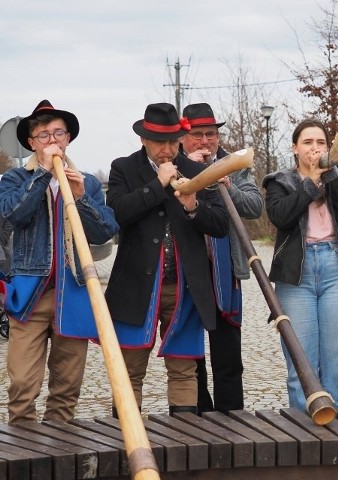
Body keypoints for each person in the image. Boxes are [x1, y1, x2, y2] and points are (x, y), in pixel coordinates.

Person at [105, 102, 229, 416]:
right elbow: (117, 214)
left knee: (184, 368)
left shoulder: (197, 171)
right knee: (130, 368)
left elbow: (220, 225)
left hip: (184, 285)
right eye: (161, 142)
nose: (168, 149)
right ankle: (126, 441)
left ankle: (184, 439)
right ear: (144, 140)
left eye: (174, 142)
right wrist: (157, 184)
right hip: (137, 285)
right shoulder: (124, 168)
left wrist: (193, 207)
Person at [0, 100, 119, 423]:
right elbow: (14, 214)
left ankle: (59, 452)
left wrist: (81, 198)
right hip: (29, 293)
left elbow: (106, 229)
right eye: (43, 136)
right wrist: (42, 175)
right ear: (31, 143)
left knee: (67, 388)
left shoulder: (89, 183)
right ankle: (23, 457)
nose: (52, 141)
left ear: (68, 139)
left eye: (58, 134)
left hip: (76, 291)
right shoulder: (12, 180)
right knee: (23, 384)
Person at [262, 118, 338, 410]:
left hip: (336, 268)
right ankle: (302, 432)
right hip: (296, 275)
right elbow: (281, 216)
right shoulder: (278, 181)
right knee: (301, 362)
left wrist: (329, 174)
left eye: (321, 142)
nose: (315, 149)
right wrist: (311, 182)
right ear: (295, 148)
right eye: (308, 142)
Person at [180, 102, 264, 414]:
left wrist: (227, 183)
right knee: (191, 355)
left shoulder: (235, 164)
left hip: (225, 269)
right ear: (183, 138)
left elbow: (255, 207)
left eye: (211, 134)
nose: (205, 141)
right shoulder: (173, 163)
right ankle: (199, 415)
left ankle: (232, 417)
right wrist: (191, 170)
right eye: (197, 134)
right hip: (186, 268)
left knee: (228, 355)